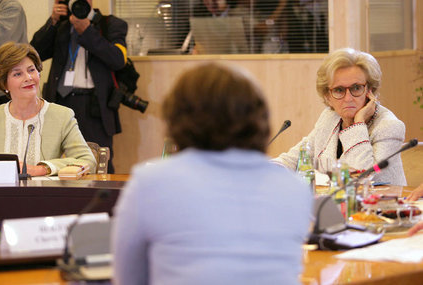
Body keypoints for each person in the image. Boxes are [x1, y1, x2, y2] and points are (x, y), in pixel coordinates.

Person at [112, 63, 312, 285]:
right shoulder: (295, 188)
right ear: (259, 118)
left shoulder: (149, 183)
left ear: (177, 117)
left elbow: (128, 279)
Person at [31, 0, 127, 173]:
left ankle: (103, 203)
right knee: (57, 162)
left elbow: (118, 60)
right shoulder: (61, 26)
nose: (79, 1)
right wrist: (53, 21)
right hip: (61, 102)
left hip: (95, 106)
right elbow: (34, 54)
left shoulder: (110, 24)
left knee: (99, 164)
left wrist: (86, 31)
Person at [0, 42, 96, 177]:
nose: (28, 78)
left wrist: (42, 169)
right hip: (0, 197)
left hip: (45, 197)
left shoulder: (62, 115)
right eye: (18, 74)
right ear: (4, 83)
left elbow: (87, 161)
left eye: (31, 70)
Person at [272, 48, 407, 186]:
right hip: (332, 204)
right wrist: (262, 171)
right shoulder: (330, 118)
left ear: (369, 91)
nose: (348, 98)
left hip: (379, 206)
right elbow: (295, 159)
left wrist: (358, 123)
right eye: (339, 90)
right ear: (328, 96)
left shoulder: (389, 127)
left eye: (356, 88)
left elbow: (362, 178)